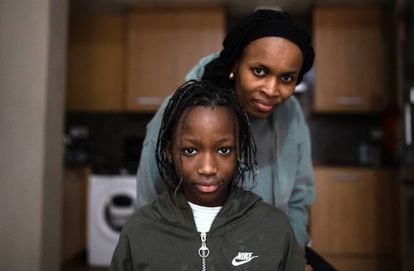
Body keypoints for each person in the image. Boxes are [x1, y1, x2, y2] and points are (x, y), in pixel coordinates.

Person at [137, 9, 314, 249]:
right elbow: (149, 202)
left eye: (286, 78)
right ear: (235, 65)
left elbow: (297, 200)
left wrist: (292, 250)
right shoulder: (179, 113)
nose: (272, 90)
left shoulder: (291, 115)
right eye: (259, 71)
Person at [111, 80, 304, 270]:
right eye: (190, 151)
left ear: (240, 151)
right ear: (169, 152)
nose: (208, 168)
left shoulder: (274, 228)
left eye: (224, 150)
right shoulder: (139, 230)